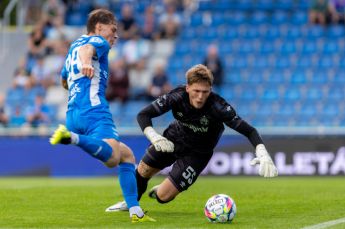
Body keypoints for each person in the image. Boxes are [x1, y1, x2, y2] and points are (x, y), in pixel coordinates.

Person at [106, 64, 278, 212]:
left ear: (211, 89)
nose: (200, 96)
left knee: (163, 197)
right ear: (187, 87)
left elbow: (250, 131)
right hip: (174, 139)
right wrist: (154, 137)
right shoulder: (177, 96)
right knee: (143, 169)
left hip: (198, 153)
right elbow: (143, 115)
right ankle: (131, 203)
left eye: (205, 92)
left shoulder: (219, 106)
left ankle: (161, 190)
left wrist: (262, 152)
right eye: (196, 91)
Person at [49, 9, 155, 223]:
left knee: (127, 156)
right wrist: (88, 62)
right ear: (98, 27)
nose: (115, 36)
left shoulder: (73, 46)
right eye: (113, 30)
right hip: (94, 111)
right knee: (113, 158)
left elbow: (63, 78)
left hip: (73, 112)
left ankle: (136, 211)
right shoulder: (96, 41)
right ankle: (71, 137)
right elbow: (88, 49)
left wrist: (79, 79)